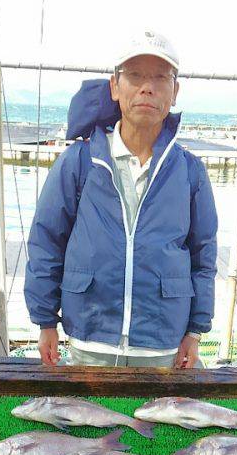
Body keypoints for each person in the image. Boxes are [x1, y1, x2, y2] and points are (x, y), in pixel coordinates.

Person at [25, 30, 218, 368]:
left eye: (161, 77)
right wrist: (45, 322)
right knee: (89, 419)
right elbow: (47, 242)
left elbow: (204, 255)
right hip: (89, 334)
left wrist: (196, 329)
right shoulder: (79, 162)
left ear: (175, 91)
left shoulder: (190, 171)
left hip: (161, 343)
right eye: (135, 75)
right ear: (115, 86)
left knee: (155, 422)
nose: (148, 87)